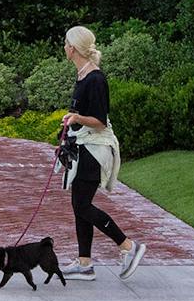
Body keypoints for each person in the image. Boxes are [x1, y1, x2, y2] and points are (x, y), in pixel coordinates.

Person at [60, 25, 147, 281]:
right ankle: (85, 263)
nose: (64, 48)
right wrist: (72, 120)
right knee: (79, 205)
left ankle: (129, 247)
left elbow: (99, 120)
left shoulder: (95, 79)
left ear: (73, 48)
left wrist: (76, 117)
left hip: (95, 151)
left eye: (66, 44)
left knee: (82, 205)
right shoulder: (82, 75)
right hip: (83, 146)